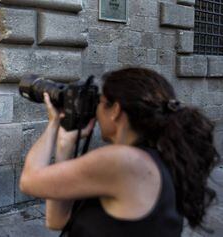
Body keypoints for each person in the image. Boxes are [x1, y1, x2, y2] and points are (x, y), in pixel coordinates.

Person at [19, 68, 219, 236]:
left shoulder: (123, 162)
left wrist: (52, 125)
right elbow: (57, 220)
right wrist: (65, 144)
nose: (96, 110)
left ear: (115, 110)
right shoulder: (160, 158)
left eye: (101, 102)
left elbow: (29, 181)